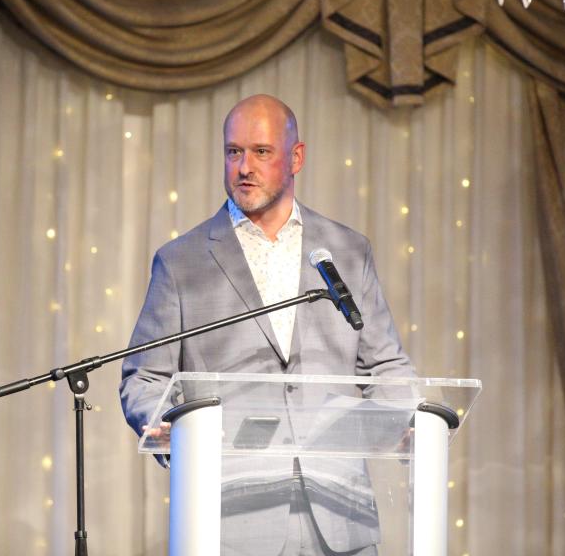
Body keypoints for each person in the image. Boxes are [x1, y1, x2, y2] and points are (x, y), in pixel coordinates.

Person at [119, 94, 416, 555]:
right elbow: (144, 377)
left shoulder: (347, 251)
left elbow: (386, 365)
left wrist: (409, 420)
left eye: (261, 152)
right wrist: (166, 422)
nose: (244, 167)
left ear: (296, 157)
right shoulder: (182, 262)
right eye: (233, 151)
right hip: (231, 523)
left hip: (340, 521)